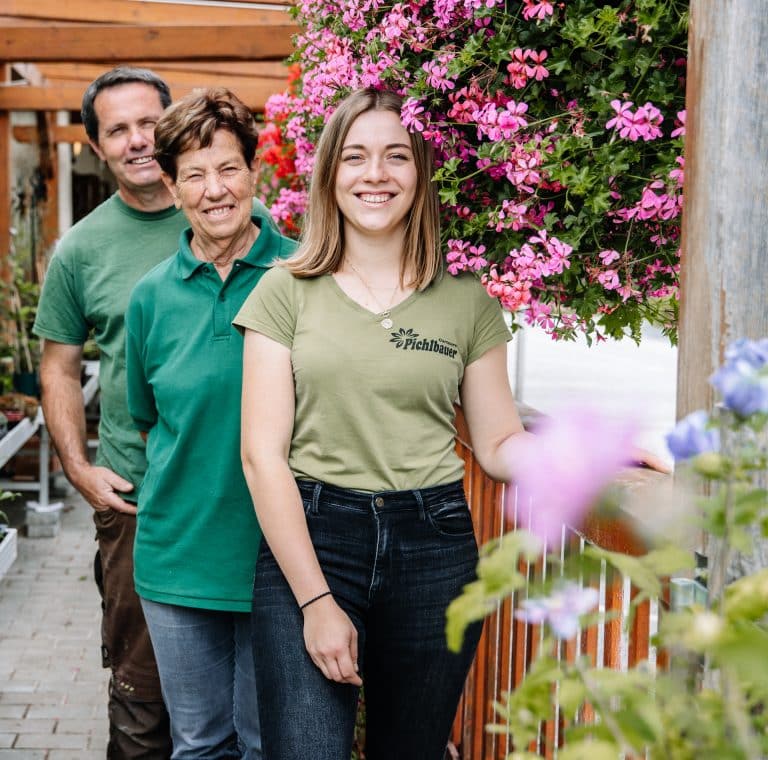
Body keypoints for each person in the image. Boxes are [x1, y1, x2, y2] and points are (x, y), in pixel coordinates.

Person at [233, 88, 528, 760]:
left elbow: (501, 444)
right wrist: (315, 603)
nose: (376, 174)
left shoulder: (465, 304)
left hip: (434, 546)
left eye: (397, 156)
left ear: (420, 174)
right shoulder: (284, 290)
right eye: (357, 157)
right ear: (330, 173)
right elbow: (262, 457)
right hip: (312, 541)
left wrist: (594, 450)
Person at [32, 67, 276, 758]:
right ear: (97, 146)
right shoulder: (83, 248)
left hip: (262, 505)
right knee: (144, 697)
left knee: (258, 713)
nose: (137, 140)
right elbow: (59, 365)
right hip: (144, 506)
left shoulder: (262, 234)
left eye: (148, 123)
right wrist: (79, 468)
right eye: (118, 129)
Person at [124, 87, 296, 759]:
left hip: (283, 562)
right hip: (177, 561)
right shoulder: (150, 298)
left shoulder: (303, 274)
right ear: (170, 184)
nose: (213, 189)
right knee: (197, 744)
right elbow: (148, 421)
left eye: (228, 168)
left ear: (256, 172)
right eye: (193, 174)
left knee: (267, 745)